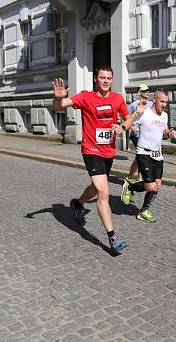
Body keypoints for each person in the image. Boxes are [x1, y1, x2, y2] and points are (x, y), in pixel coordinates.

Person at [52, 66, 142, 254]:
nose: (106, 81)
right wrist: (59, 97)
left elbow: (128, 119)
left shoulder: (117, 98)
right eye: (102, 77)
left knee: (96, 187)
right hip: (91, 149)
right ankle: (112, 237)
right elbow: (59, 106)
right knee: (103, 192)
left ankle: (78, 204)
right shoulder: (85, 97)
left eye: (109, 77)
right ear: (96, 79)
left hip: (108, 152)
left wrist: (123, 128)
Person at [118, 89, 176, 223]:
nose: (164, 105)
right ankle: (129, 186)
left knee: (157, 185)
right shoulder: (144, 113)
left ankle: (143, 211)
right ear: (154, 99)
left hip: (158, 155)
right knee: (150, 186)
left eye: (166, 102)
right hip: (143, 153)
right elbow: (128, 121)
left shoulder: (164, 116)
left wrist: (170, 133)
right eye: (162, 101)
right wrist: (131, 125)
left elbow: (164, 130)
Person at [125, 84, 153, 185]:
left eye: (148, 91)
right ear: (139, 92)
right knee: (141, 156)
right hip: (136, 135)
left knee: (139, 157)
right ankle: (139, 177)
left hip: (146, 135)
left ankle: (131, 176)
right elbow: (127, 119)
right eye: (144, 91)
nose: (147, 93)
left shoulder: (151, 104)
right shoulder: (133, 105)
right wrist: (132, 127)